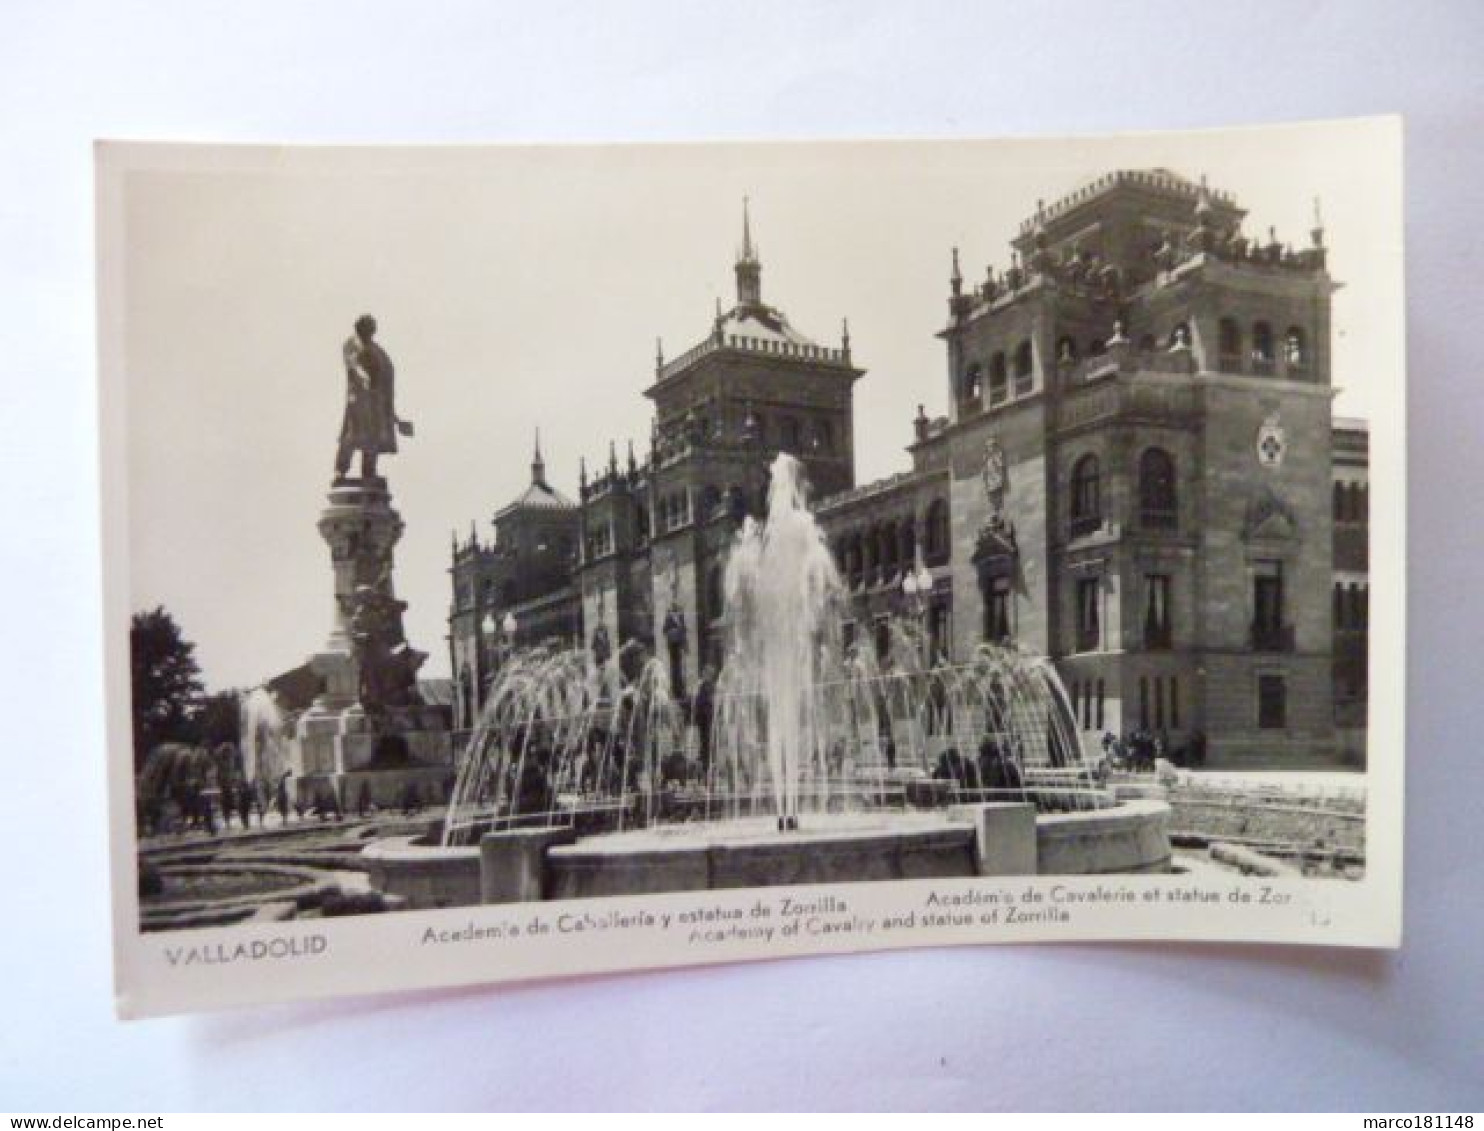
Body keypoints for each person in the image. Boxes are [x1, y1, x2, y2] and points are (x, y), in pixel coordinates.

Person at [334, 315, 412, 481]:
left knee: (372, 439)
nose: (368, 334)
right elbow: (353, 363)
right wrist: (364, 377)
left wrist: (394, 417)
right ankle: (341, 470)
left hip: (376, 402)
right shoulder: (352, 344)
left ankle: (369, 472)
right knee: (351, 435)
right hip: (358, 400)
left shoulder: (378, 351)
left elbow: (385, 381)